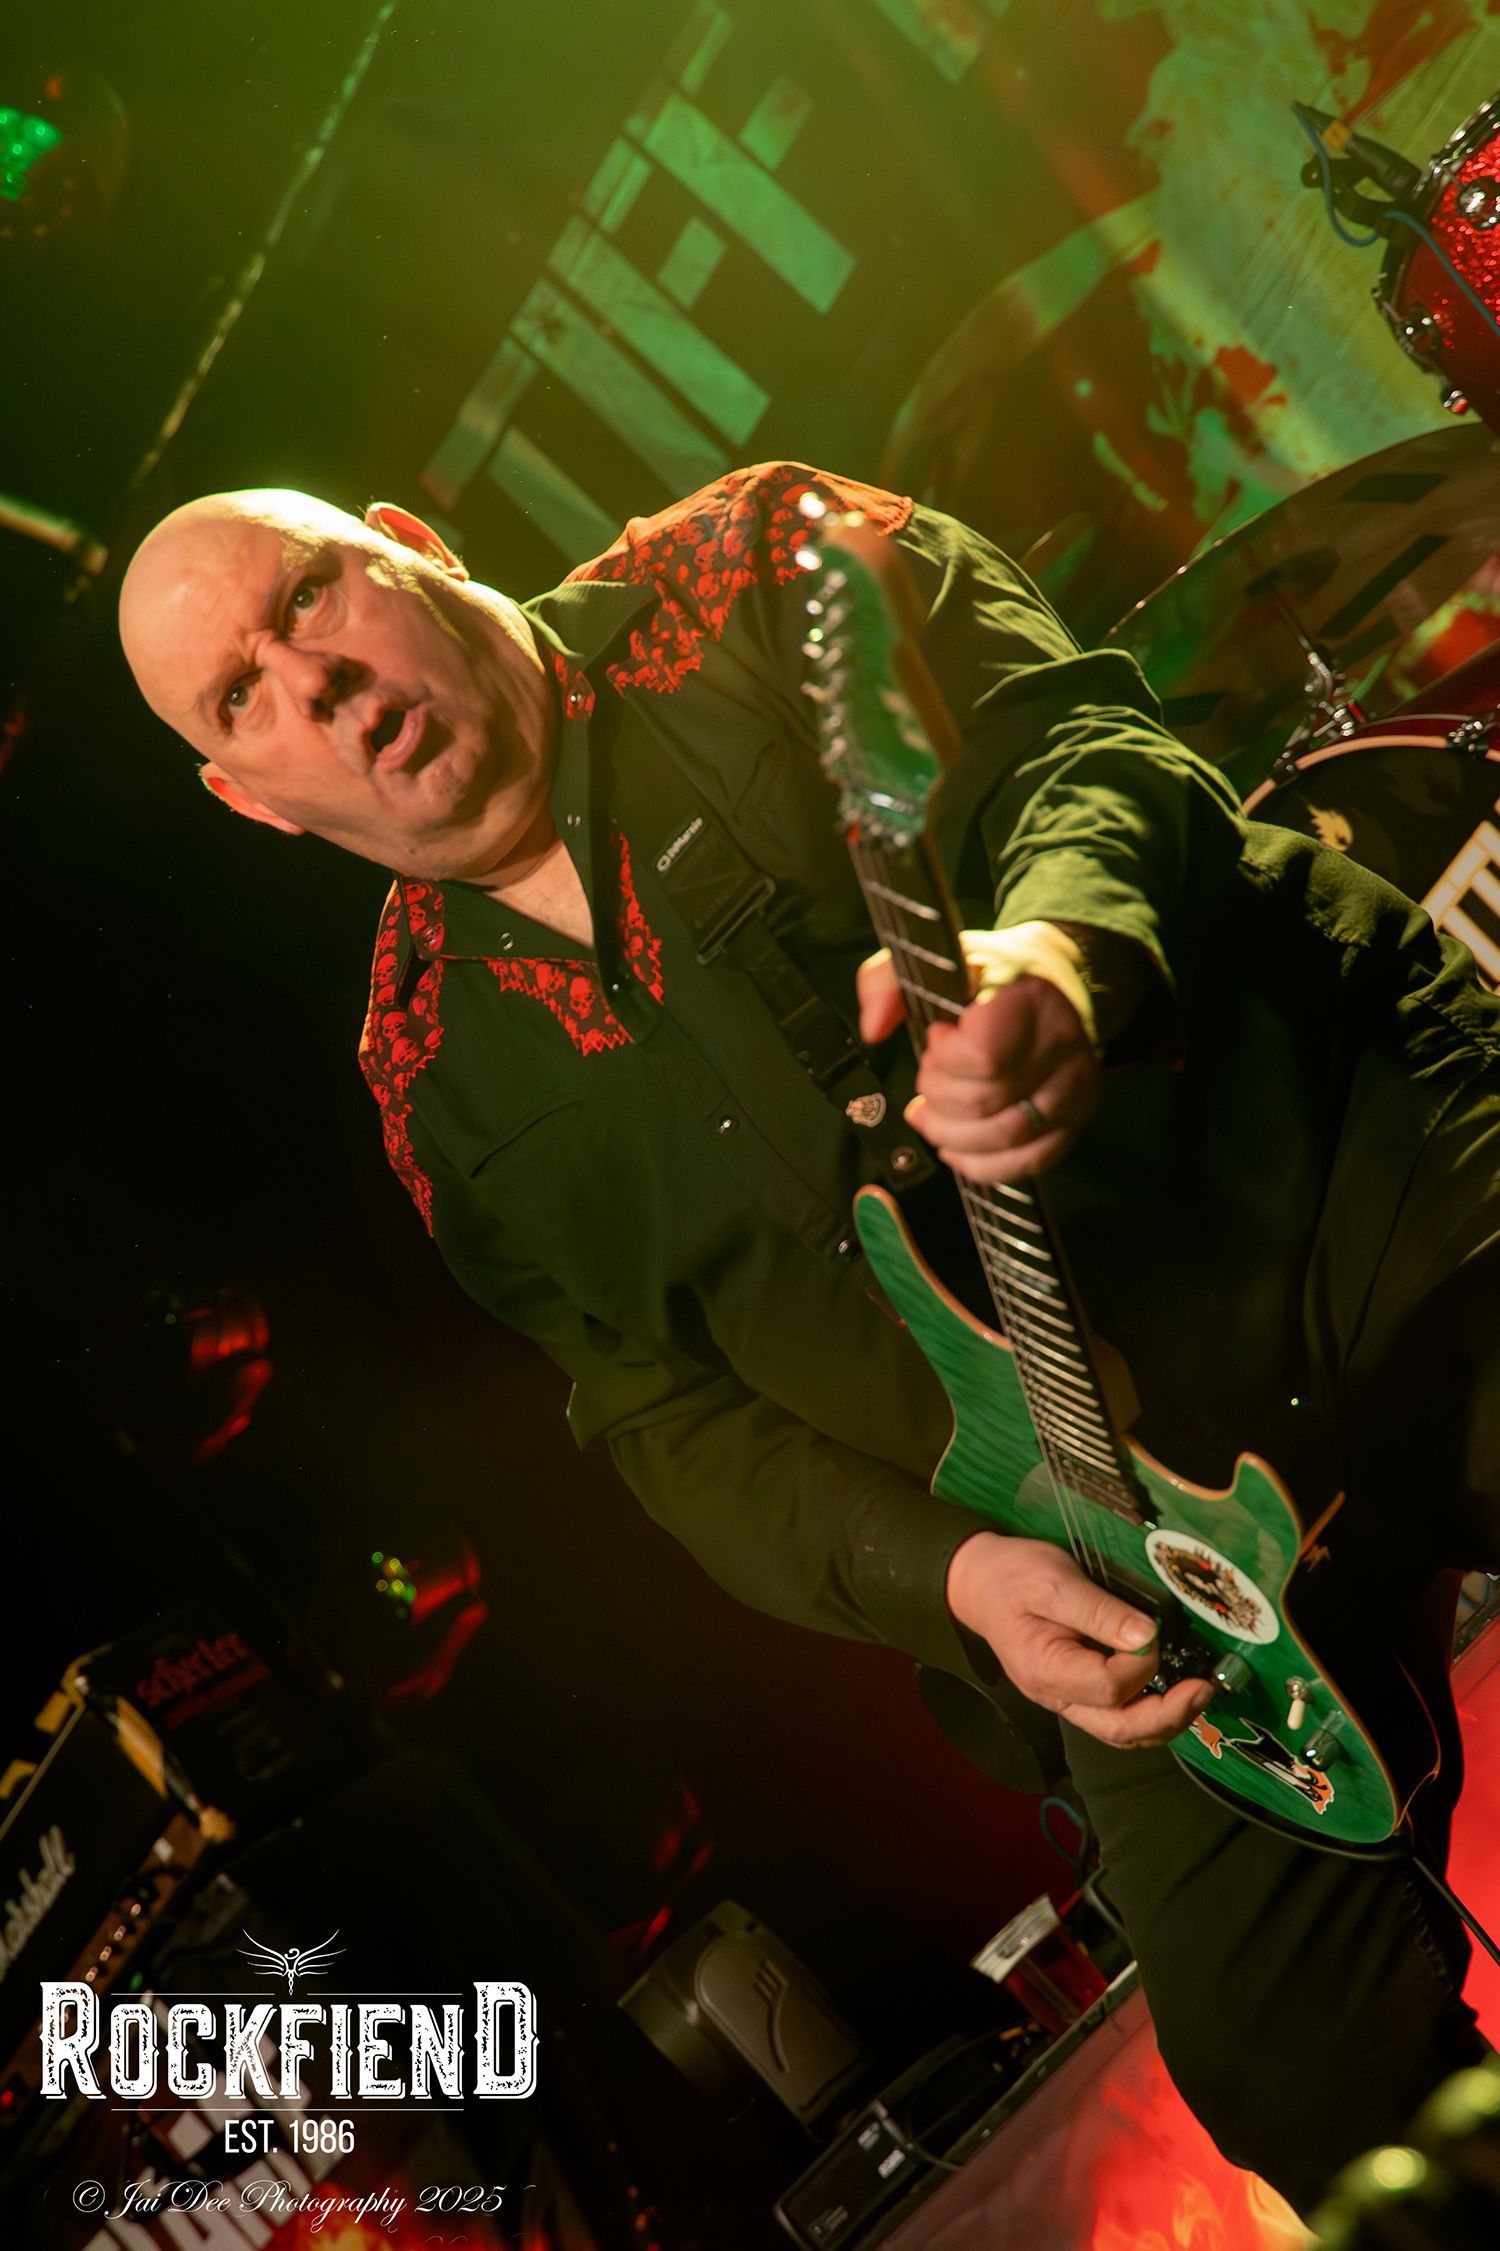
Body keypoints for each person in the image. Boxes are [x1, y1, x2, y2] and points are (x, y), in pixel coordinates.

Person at [118, 460, 1500, 2216]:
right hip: (1112, 1542)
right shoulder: (432, 1083)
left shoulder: (756, 571)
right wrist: (960, 1581)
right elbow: (664, 1424)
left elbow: (1081, 754)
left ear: (410, 547)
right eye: (240, 696)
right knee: (1294, 2064)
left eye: (307, 596)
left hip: (1349, 1218)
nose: (312, 682)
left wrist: (1061, 961)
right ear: (247, 797)